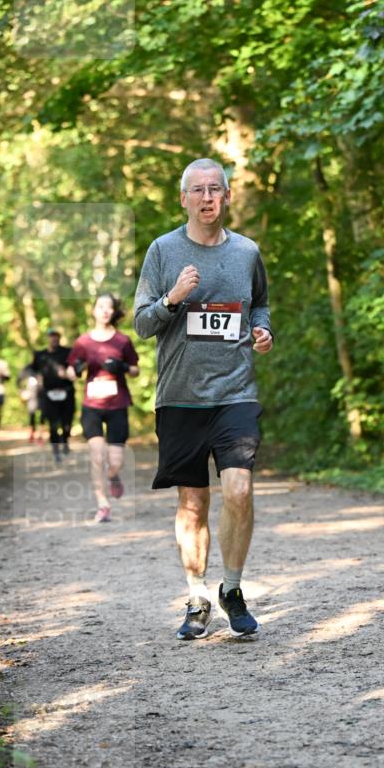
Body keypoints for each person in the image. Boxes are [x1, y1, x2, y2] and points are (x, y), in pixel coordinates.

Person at [133, 158, 273, 641]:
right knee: (193, 504)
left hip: (235, 393)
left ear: (228, 196)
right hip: (179, 398)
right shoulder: (162, 251)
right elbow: (142, 323)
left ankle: (231, 589)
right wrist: (172, 298)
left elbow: (260, 303)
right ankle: (197, 596)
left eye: (216, 189)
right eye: (198, 190)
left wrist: (262, 329)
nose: (208, 197)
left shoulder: (247, 252)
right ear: (184, 199)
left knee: (239, 490)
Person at [66, 293, 139, 523]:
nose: (105, 310)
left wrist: (123, 367)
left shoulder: (122, 341)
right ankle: (103, 504)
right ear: (94, 311)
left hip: (118, 405)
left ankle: (114, 476)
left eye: (109, 307)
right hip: (92, 407)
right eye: (100, 306)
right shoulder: (83, 342)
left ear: (114, 312)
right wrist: (76, 369)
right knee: (97, 456)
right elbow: (69, 372)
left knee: (115, 461)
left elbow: (136, 370)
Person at [30, 328, 75, 461]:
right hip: (48, 394)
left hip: (66, 392)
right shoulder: (40, 355)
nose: (53, 338)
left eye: (56, 336)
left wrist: (68, 373)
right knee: (53, 424)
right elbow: (31, 370)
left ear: (59, 338)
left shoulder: (68, 352)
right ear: (48, 338)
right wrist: (36, 378)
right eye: (51, 336)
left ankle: (65, 440)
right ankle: (56, 451)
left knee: (67, 423)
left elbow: (76, 368)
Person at [18, 365, 44, 443]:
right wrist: (22, 392)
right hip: (31, 397)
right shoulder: (27, 370)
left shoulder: (43, 368)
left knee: (42, 416)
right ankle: (32, 433)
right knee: (31, 415)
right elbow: (19, 381)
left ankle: (40, 435)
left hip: (42, 396)